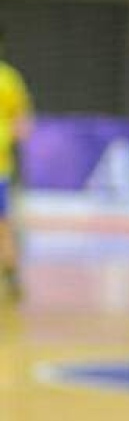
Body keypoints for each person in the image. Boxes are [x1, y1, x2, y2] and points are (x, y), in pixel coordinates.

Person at [0, 29, 33, 304]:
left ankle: (11, 274)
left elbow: (23, 124)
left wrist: (6, 136)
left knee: (3, 224)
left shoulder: (8, 80)